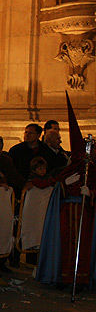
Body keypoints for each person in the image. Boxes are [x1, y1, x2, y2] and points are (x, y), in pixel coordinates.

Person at [35, 96, 96, 290]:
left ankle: (82, 277)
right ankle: (64, 277)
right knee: (65, 245)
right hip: (67, 211)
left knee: (84, 245)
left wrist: (91, 192)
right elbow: (56, 185)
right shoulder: (68, 168)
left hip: (85, 213)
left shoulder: (92, 170)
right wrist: (63, 184)